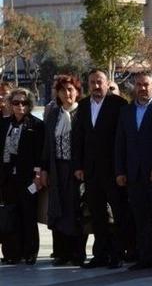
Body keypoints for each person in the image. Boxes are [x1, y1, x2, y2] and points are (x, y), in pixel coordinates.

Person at [115, 72, 152, 271]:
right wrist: (120, 170)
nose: (142, 88)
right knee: (141, 218)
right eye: (139, 84)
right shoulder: (126, 111)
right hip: (134, 174)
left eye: (146, 84)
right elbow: (120, 143)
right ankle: (146, 256)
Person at [72, 69, 129, 269]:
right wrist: (78, 165)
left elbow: (124, 139)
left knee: (119, 212)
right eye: (92, 82)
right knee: (97, 214)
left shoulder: (119, 105)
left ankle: (119, 253)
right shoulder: (84, 105)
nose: (96, 86)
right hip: (91, 171)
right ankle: (100, 254)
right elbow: (79, 137)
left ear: (107, 83)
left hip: (114, 170)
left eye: (100, 82)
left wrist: (122, 168)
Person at [40, 75, 86, 267]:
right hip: (56, 168)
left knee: (76, 210)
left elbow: (87, 144)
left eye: (70, 90)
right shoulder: (53, 114)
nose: (67, 94)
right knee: (57, 211)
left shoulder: (83, 113)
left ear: (77, 92)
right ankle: (60, 252)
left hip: (75, 170)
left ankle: (77, 252)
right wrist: (44, 169)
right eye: (63, 90)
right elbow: (46, 144)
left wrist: (82, 166)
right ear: (57, 93)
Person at [0, 88, 44, 265]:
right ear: (10, 104)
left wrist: (38, 176)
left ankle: (30, 252)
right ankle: (11, 253)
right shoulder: (3, 124)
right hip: (6, 178)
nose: (20, 106)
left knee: (28, 215)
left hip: (28, 178)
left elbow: (40, 154)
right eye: (16, 102)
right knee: (10, 215)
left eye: (24, 103)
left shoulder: (36, 125)